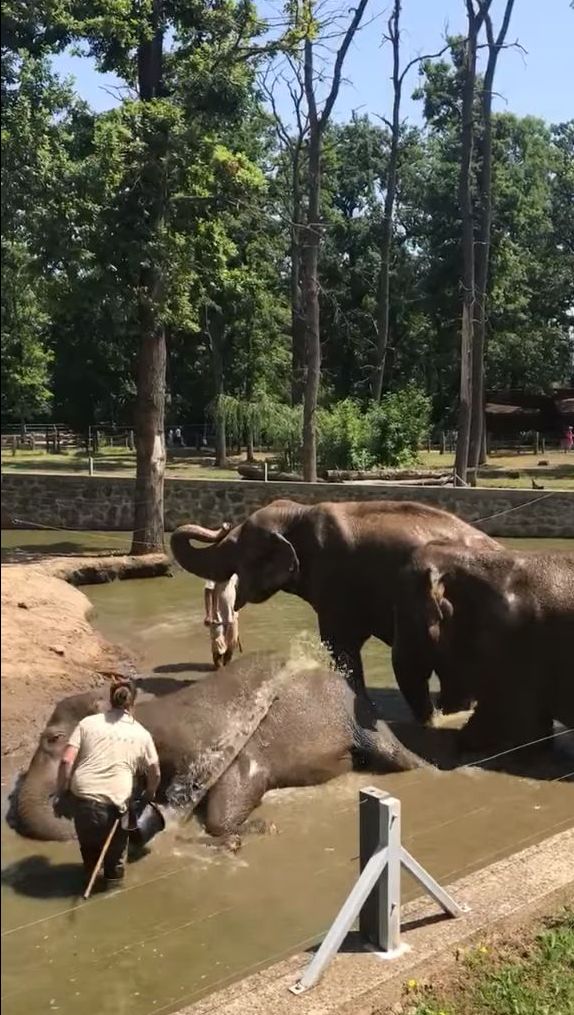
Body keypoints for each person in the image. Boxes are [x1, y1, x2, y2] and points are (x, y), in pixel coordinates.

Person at [54, 678, 160, 886]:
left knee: (90, 855)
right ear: (132, 704)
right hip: (115, 807)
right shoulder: (141, 734)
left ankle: (89, 875)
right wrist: (150, 793)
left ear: (111, 701)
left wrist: (63, 791)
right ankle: (111, 887)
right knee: (115, 865)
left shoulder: (87, 723)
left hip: (83, 800)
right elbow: (155, 771)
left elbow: (66, 761)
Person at [194, 522, 240, 669]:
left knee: (231, 644)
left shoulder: (235, 567)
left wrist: (238, 610)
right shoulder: (215, 567)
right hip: (217, 615)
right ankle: (219, 672)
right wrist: (208, 614)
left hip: (232, 614)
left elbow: (236, 589)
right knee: (218, 646)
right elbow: (208, 590)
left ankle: (226, 671)